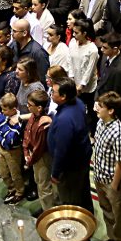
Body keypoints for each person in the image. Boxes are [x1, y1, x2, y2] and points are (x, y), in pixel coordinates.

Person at [92, 92, 121, 241]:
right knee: (107, 210)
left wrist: (114, 186)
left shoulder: (118, 133)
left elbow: (120, 163)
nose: (96, 109)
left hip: (113, 181)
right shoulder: (101, 123)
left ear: (110, 110)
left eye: (100, 107)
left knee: (119, 214)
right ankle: (113, 238)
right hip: (100, 176)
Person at [48, 80, 94, 212]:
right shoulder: (78, 103)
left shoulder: (65, 120)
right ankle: (88, 214)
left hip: (70, 168)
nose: (51, 93)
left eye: (54, 92)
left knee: (70, 199)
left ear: (63, 96)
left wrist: (55, 174)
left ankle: (77, 224)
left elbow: (62, 150)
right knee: (83, 191)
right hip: (82, 158)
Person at [0, 93, 25, 204]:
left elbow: (11, 139)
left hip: (13, 151)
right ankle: (11, 189)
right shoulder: (4, 116)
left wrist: (3, 127)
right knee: (2, 172)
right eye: (2, 109)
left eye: (5, 110)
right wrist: (3, 133)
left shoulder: (19, 121)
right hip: (2, 149)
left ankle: (19, 192)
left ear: (13, 109)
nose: (2, 112)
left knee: (15, 174)